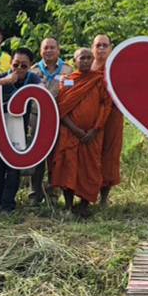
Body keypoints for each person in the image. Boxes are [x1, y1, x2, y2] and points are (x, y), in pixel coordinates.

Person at [50, 47, 110, 217]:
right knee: (67, 167)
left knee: (90, 169)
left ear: (92, 61)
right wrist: (75, 129)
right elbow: (61, 109)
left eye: (88, 58)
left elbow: (106, 106)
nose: (85, 61)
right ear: (74, 61)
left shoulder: (100, 80)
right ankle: (68, 206)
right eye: (81, 58)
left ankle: (84, 205)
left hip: (93, 135)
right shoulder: (67, 81)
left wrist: (95, 129)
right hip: (70, 133)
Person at [0, 48, 39, 213]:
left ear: (30, 66)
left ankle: (8, 205)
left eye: (24, 66)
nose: (19, 69)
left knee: (14, 169)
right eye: (15, 65)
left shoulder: (32, 79)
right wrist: (6, 81)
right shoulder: (2, 78)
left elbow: (44, 89)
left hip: (19, 133)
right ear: (10, 64)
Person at [27, 37, 66, 205]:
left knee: (56, 157)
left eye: (52, 47)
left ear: (58, 50)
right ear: (41, 51)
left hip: (60, 118)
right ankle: (35, 194)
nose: (48, 51)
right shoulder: (33, 70)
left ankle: (53, 195)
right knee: (36, 157)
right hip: (36, 118)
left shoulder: (68, 70)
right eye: (45, 48)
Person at [93, 34, 125, 207]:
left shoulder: (116, 67)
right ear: (92, 48)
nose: (102, 48)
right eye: (98, 45)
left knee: (110, 156)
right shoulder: (87, 66)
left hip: (113, 116)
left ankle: (104, 198)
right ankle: (87, 193)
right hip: (91, 117)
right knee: (91, 155)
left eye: (105, 45)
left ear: (111, 48)